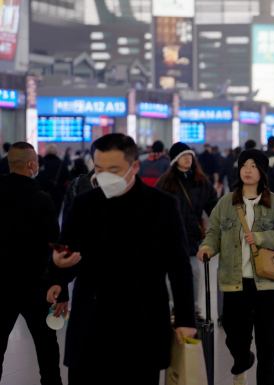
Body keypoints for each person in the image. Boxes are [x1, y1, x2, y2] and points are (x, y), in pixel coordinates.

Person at [45, 134, 196, 384]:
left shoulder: (162, 206)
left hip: (141, 326)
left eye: (114, 169)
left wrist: (185, 320)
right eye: (99, 168)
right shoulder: (84, 205)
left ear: (134, 166)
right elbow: (67, 252)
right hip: (92, 326)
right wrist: (57, 269)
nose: (105, 176)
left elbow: (180, 268)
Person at [198, 149, 274, 385]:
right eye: (244, 165)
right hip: (235, 282)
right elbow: (213, 234)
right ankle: (243, 360)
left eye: (254, 165)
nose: (248, 170)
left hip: (268, 283)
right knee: (234, 336)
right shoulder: (225, 203)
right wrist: (207, 248)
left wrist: (262, 238)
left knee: (268, 342)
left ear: (262, 171)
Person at [0, 142, 63, 385]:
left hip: (1, 284)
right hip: (35, 285)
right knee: (47, 347)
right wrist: (57, 284)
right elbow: (53, 247)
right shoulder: (41, 200)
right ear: (31, 164)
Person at [156, 142, 219, 316]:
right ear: (175, 159)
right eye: (183, 155)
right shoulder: (165, 182)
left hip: (191, 235)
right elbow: (155, 208)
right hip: (170, 235)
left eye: (190, 155)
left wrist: (222, 225)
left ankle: (193, 306)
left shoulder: (201, 181)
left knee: (194, 271)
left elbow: (214, 206)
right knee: (171, 274)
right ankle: (172, 305)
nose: (188, 158)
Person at [37, 144, 69, 218]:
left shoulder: (41, 163)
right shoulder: (62, 163)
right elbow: (67, 178)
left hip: (42, 193)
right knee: (55, 215)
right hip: (58, 193)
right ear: (56, 152)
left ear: (46, 152)